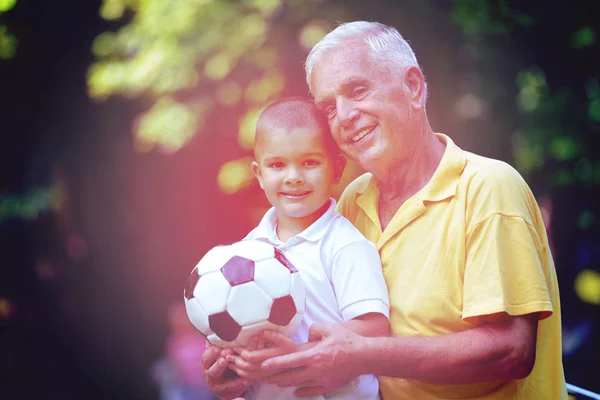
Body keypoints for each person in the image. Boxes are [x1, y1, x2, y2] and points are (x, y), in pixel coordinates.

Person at [203, 21, 568, 399]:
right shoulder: (350, 202)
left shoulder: (488, 187)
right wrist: (246, 368)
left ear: (413, 86)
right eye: (329, 107)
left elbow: (511, 350)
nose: (343, 116)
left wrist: (363, 355)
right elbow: (321, 343)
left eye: (357, 90)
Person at [204, 97, 391, 399]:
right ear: (259, 174)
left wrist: (300, 355)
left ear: (337, 169)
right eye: (277, 164)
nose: (293, 176)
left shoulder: (347, 246)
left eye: (310, 162)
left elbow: (374, 328)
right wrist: (230, 369)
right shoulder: (243, 256)